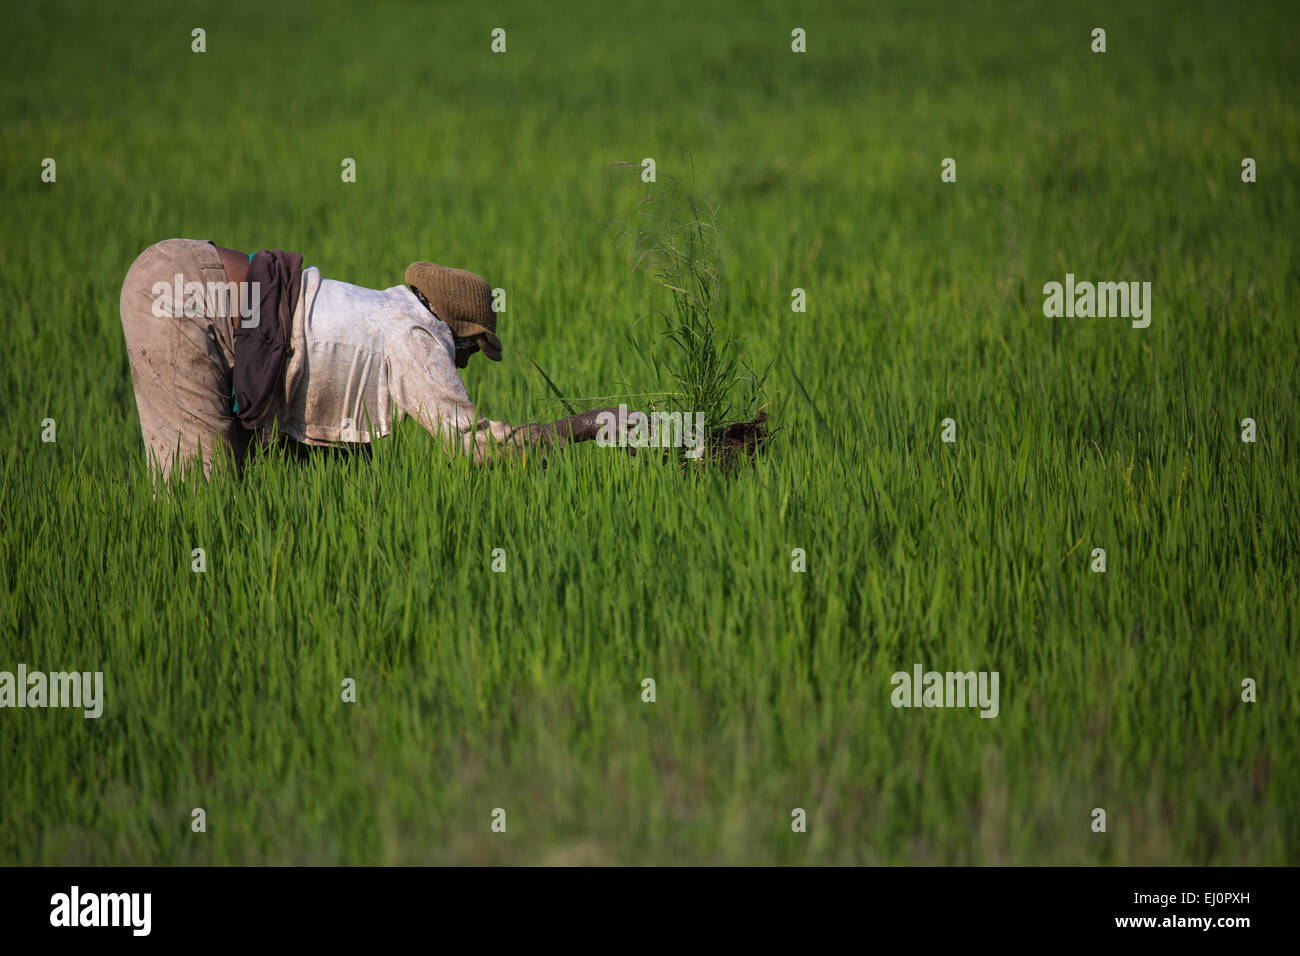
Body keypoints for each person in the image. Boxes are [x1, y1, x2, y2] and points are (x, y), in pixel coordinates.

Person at [118, 238, 614, 480]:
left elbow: (316, 432)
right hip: (183, 302)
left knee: (238, 486)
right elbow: (476, 448)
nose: (463, 366)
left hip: (180, 271)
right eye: (470, 351)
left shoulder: (386, 309)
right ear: (455, 332)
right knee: (199, 502)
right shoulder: (417, 337)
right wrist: (587, 426)